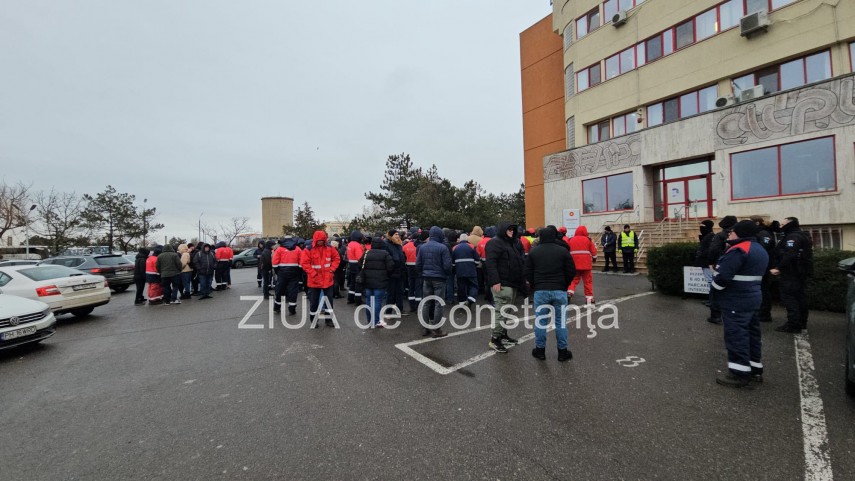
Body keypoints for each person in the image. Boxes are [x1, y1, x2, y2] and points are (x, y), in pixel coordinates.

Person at [710, 220, 768, 388]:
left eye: (732, 231)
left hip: (736, 300)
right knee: (752, 335)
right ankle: (755, 369)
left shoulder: (739, 249)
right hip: (752, 298)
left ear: (740, 233)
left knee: (737, 336)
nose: (729, 233)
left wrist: (714, 290)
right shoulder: (759, 249)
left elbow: (723, 276)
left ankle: (739, 374)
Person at [527, 226, 576, 362]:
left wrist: (535, 284)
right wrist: (564, 284)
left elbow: (527, 271)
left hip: (541, 290)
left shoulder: (534, 252)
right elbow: (571, 271)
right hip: (559, 290)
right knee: (560, 322)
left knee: (541, 321)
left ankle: (540, 351)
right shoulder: (562, 251)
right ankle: (562, 352)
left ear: (541, 237)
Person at [485, 221, 525, 353]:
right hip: (502, 283)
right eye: (509, 229)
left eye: (513, 229)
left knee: (507, 310)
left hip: (511, 282)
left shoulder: (510, 243)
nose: (512, 231)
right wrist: (495, 281)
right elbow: (491, 263)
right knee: (501, 311)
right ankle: (495, 339)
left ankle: (502, 334)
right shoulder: (495, 242)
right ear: (503, 230)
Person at [770, 217, 813, 333]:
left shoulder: (793, 237)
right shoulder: (801, 235)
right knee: (799, 297)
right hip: (799, 272)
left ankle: (794, 325)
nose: (780, 226)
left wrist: (778, 268)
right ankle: (801, 322)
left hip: (791, 273)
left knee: (790, 298)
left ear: (789, 224)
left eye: (782, 224)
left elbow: (790, 254)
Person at [415, 226, 452, 338]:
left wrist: (422, 273)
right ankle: (437, 329)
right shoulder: (443, 247)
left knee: (426, 302)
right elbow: (447, 265)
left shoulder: (422, 247)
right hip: (439, 278)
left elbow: (418, 264)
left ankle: (425, 328)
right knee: (438, 303)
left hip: (426, 278)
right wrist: (446, 274)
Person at [300, 230, 341, 327]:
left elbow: (336, 259)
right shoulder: (308, 250)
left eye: (322, 241)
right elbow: (304, 263)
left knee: (329, 301)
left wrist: (331, 270)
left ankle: (329, 320)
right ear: (315, 240)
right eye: (318, 241)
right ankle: (314, 320)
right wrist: (313, 273)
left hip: (327, 279)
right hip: (315, 280)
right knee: (314, 302)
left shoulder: (330, 249)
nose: (320, 242)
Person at [706, 216, 738, 325]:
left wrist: (711, 262)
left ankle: (715, 316)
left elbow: (713, 249)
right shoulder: (740, 234)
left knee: (716, 290)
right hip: (736, 267)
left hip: (721, 265)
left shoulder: (720, 235)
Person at [361, 236, 395, 327]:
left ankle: (369, 320)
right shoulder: (385, 254)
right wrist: (387, 275)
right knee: (377, 301)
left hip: (368, 282)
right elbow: (391, 266)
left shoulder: (366, 253)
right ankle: (375, 321)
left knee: (369, 301)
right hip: (381, 281)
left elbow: (360, 264)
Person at [750, 216, 775, 323]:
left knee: (763, 290)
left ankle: (764, 314)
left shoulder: (763, 233)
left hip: (764, 267)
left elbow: (764, 250)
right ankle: (760, 312)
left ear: (756, 223)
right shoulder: (760, 233)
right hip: (762, 266)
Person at [567, 225, 598, 304]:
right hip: (586, 265)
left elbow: (567, 251)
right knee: (587, 282)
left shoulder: (571, 240)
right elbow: (594, 252)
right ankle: (589, 299)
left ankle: (569, 293)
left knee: (573, 280)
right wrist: (594, 258)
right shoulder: (588, 240)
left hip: (575, 265)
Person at [273, 237, 303, 315]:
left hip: (282, 273)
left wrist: (278, 272)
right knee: (293, 291)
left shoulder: (280, 249)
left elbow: (275, 262)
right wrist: (298, 271)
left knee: (279, 290)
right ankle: (292, 309)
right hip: (294, 273)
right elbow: (302, 261)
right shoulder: (297, 249)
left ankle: (277, 307)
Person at [452, 233, 480, 305]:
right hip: (471, 271)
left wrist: (455, 269)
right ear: (467, 239)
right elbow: (477, 259)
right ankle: (471, 298)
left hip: (459, 271)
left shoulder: (454, 248)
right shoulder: (472, 246)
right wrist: (474, 265)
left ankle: (462, 302)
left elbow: (453, 262)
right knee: (474, 285)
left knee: (461, 287)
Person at [385, 229, 406, 313]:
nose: (398, 236)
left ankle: (400, 309)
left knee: (400, 292)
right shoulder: (387, 245)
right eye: (395, 234)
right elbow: (388, 259)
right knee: (391, 293)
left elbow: (401, 256)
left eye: (398, 234)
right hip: (392, 273)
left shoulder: (399, 244)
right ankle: (388, 311)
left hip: (400, 272)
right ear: (391, 236)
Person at [403, 231, 422, 312]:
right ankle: (418, 305)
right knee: (418, 287)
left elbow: (403, 258)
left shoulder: (405, 246)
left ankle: (412, 305)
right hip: (418, 268)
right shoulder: (420, 246)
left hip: (409, 269)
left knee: (411, 287)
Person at [346, 231, 366, 304]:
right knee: (358, 283)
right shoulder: (357, 245)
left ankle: (350, 298)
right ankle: (358, 300)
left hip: (351, 265)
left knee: (352, 282)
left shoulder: (350, 244)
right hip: (357, 266)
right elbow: (360, 258)